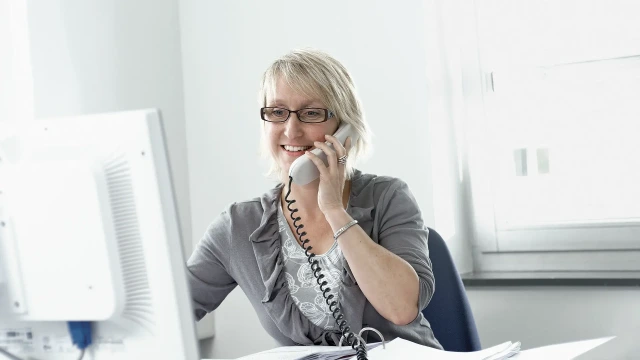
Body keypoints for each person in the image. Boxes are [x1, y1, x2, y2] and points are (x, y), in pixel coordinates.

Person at [187, 49, 442, 350]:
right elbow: (166, 314)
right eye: (277, 112)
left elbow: (401, 309)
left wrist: (334, 210)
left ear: (344, 125)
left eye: (311, 113)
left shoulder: (389, 198)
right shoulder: (238, 226)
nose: (291, 130)